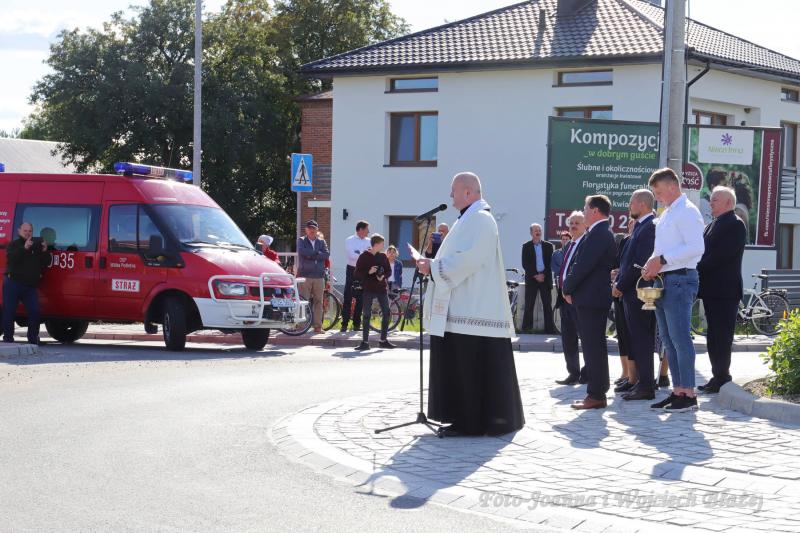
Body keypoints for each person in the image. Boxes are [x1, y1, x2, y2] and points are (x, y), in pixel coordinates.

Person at [417, 172, 525, 436]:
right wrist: (433, 264)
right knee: (461, 367)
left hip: (473, 309)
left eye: (453, 190)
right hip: (463, 306)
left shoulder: (481, 219)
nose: (450, 195)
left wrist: (433, 267)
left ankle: (470, 423)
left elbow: (470, 259)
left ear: (468, 192)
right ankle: (462, 419)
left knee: (468, 369)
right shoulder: (468, 219)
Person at [642, 167, 705, 412]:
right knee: (668, 339)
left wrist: (662, 260)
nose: (656, 197)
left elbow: (696, 247)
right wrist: (651, 264)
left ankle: (688, 393)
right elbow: (662, 249)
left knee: (680, 339)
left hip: (680, 278)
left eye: (658, 192)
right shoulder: (669, 212)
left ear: (672, 186)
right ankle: (678, 390)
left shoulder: (687, 211)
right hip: (665, 278)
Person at [562, 195, 617, 410]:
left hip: (592, 299)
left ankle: (596, 394)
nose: (583, 212)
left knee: (593, 348)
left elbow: (583, 265)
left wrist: (567, 287)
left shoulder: (600, 233)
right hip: (590, 298)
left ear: (595, 211)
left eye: (585, 208)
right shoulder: (596, 232)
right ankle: (596, 392)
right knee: (593, 347)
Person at [696, 186, 746, 394]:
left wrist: (696, 267)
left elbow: (720, 256)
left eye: (715, 199)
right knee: (713, 336)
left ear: (728, 202)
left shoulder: (735, 224)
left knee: (722, 336)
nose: (711, 202)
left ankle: (723, 377)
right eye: (711, 199)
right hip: (711, 290)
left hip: (726, 291)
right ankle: (716, 375)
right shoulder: (711, 225)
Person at [614, 190, 658, 401]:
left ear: (642, 204)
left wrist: (621, 285)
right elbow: (627, 260)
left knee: (642, 339)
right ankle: (640, 382)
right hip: (632, 292)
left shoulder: (650, 227)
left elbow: (639, 262)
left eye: (631, 202)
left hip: (640, 292)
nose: (629, 206)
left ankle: (646, 386)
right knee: (636, 340)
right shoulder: (641, 226)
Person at [2, 222, 51, 344]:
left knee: (35, 311)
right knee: (9, 311)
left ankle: (33, 339)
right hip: (13, 283)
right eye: (25, 231)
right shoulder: (13, 244)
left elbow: (46, 263)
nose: (28, 233)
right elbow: (12, 260)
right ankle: (8, 339)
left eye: (30, 231)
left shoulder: (36, 245)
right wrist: (25, 248)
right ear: (19, 231)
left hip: (29, 286)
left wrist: (44, 250)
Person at [555, 212, 588, 385]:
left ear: (585, 225)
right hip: (564, 299)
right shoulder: (569, 244)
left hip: (577, 298)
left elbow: (582, 272)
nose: (573, 226)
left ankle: (587, 373)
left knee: (586, 337)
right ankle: (573, 373)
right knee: (568, 339)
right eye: (571, 223)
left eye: (577, 223)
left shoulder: (586, 243)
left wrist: (571, 291)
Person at [354, 234, 396, 351]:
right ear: (376, 244)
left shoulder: (382, 256)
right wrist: (369, 271)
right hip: (368, 288)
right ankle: (365, 342)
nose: (383, 246)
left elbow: (388, 271)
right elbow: (357, 273)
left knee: (386, 313)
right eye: (382, 244)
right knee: (366, 315)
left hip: (381, 288)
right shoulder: (363, 256)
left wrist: (382, 276)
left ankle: (383, 341)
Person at [611, 223, 636, 394]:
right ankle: (625, 372)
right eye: (630, 224)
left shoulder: (646, 238)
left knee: (634, 336)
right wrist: (615, 273)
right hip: (619, 292)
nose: (632, 227)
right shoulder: (625, 241)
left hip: (633, 292)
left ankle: (635, 375)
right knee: (622, 334)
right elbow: (618, 263)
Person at [521, 223, 556, 333]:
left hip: (545, 279)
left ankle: (549, 330)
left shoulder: (549, 246)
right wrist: (536, 275)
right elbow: (525, 264)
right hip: (532, 279)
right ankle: (527, 329)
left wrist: (543, 275)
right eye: (535, 230)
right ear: (531, 233)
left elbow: (550, 263)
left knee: (547, 304)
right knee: (529, 304)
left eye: (539, 230)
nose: (538, 232)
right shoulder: (526, 246)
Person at [296, 220, 330, 334]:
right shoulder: (301, 240)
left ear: (317, 230)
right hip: (305, 276)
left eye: (314, 228)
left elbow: (326, 254)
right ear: (306, 230)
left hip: (319, 276)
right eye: (309, 228)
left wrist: (312, 254)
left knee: (318, 302)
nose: (312, 230)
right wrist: (317, 253)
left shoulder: (322, 241)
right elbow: (303, 252)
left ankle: (318, 327)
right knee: (303, 301)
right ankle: (301, 326)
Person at [341, 221, 370, 332]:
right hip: (351, 270)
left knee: (361, 298)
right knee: (348, 297)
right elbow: (352, 256)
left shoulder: (369, 241)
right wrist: (364, 253)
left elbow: (370, 256)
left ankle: (357, 324)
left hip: (364, 271)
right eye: (367, 229)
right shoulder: (349, 240)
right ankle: (344, 324)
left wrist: (360, 253)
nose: (368, 232)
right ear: (361, 229)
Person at [551, 231, 570, 308]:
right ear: (561, 241)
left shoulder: (573, 253)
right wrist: (563, 273)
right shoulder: (556, 253)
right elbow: (553, 266)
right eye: (563, 239)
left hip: (570, 280)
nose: (565, 241)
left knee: (569, 301)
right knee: (561, 301)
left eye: (567, 239)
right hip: (559, 280)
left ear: (570, 240)